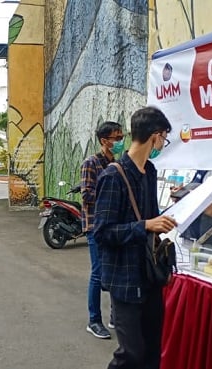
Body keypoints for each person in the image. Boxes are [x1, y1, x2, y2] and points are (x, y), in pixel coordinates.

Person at [93, 106, 177, 369]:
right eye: (164, 138)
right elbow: (103, 232)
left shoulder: (149, 172)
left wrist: (165, 219)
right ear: (155, 136)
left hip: (150, 276)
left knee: (153, 351)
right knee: (131, 354)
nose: (163, 144)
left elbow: (150, 219)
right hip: (125, 279)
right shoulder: (113, 176)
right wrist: (145, 226)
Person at [80, 121, 123, 339]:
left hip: (113, 227)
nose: (119, 142)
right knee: (98, 274)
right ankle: (94, 320)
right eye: (116, 138)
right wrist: (110, 195)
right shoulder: (91, 163)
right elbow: (86, 195)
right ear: (104, 141)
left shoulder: (117, 163)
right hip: (95, 226)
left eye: (121, 137)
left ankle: (115, 317)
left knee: (114, 271)